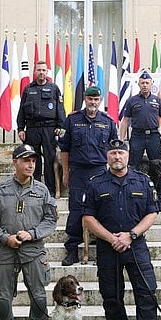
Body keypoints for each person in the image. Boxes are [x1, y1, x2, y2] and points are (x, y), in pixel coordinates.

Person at [82, 139, 161, 320]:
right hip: (108, 249)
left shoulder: (143, 181)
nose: (117, 157)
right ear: (107, 156)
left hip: (136, 247)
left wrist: (131, 235)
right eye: (113, 153)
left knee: (146, 297)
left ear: (127, 156)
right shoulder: (96, 184)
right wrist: (112, 238)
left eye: (121, 153)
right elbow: (88, 218)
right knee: (112, 299)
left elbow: (152, 213)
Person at [0, 144, 57, 320]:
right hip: (6, 251)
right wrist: (5, 238)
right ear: (15, 162)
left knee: (39, 299)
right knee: (3, 300)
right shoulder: (0, 189)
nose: (30, 165)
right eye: (25, 160)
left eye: (33, 161)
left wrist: (33, 233)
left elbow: (50, 219)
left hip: (33, 251)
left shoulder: (42, 190)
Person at [58, 85, 118, 266]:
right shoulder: (72, 120)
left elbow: (115, 149)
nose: (93, 102)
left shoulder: (108, 122)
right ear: (85, 99)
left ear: (100, 101)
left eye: (96, 99)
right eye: (90, 99)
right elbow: (65, 149)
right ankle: (72, 248)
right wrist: (66, 172)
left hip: (100, 171)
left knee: (102, 209)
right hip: (78, 172)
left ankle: (101, 246)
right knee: (76, 209)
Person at [119, 71, 161, 211]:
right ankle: (131, 196)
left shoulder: (157, 100)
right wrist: (121, 139)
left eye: (147, 83)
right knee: (133, 167)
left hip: (154, 135)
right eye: (142, 83)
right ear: (138, 84)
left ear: (151, 84)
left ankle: (160, 199)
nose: (145, 85)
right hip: (137, 136)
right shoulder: (132, 101)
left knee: (157, 168)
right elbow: (125, 121)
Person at [17, 61, 66, 196]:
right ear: (34, 72)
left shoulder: (54, 88)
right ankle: (35, 187)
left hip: (50, 129)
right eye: (39, 70)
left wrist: (60, 126)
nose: (41, 72)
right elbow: (21, 110)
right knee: (33, 158)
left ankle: (49, 190)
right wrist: (21, 128)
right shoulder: (28, 89)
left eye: (44, 70)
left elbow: (60, 109)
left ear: (47, 72)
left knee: (50, 159)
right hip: (32, 128)